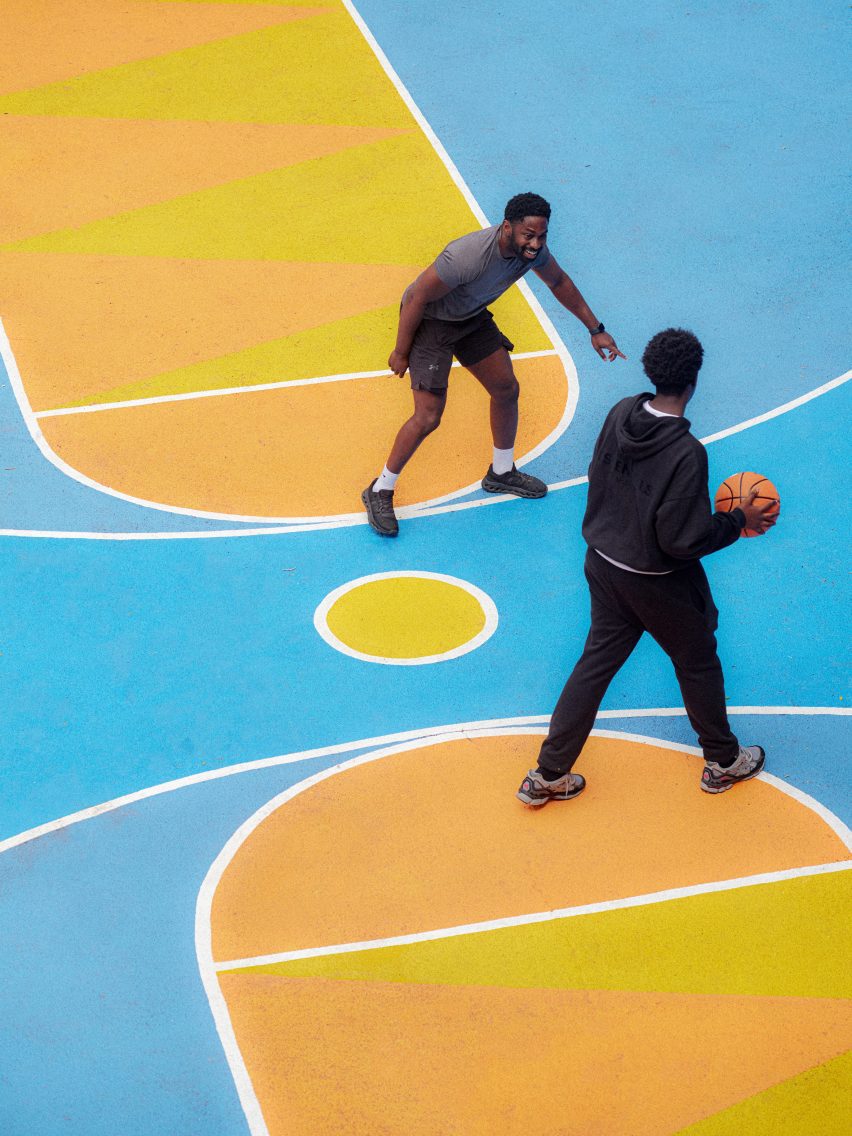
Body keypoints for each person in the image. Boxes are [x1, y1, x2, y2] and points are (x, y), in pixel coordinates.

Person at [516, 327, 779, 807]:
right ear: (693, 380)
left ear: (650, 371)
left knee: (594, 666)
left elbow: (600, 475)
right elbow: (682, 541)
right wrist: (737, 520)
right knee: (697, 662)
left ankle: (547, 774)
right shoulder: (686, 453)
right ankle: (723, 761)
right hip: (656, 584)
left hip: (602, 563)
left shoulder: (622, 412)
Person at [362, 192, 625, 537]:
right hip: (432, 322)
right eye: (528, 235)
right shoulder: (466, 256)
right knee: (428, 416)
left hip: (469, 318)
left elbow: (559, 282)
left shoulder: (534, 253)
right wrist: (401, 350)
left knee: (505, 388)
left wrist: (595, 329)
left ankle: (501, 472)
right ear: (507, 228)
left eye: (542, 235)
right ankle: (380, 489)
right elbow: (415, 296)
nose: (536, 244)